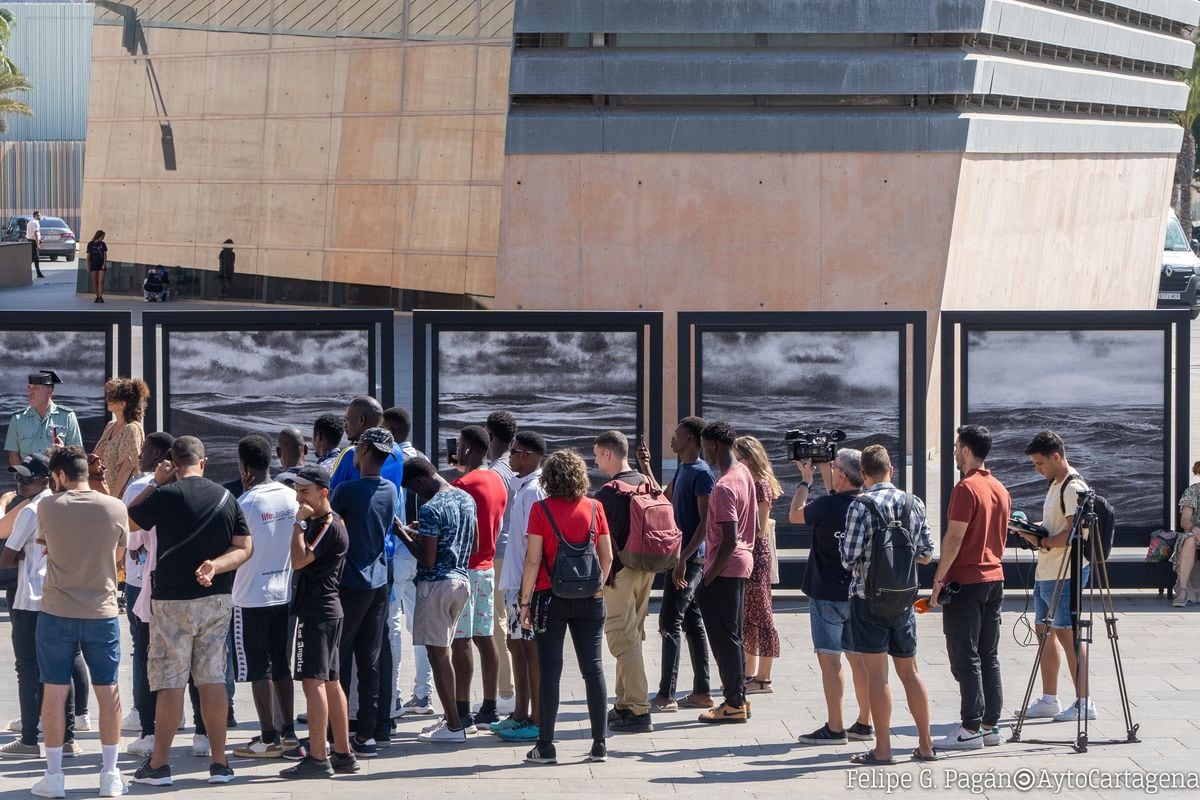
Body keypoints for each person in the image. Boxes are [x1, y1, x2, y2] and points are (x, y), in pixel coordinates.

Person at [127, 436, 252, 787]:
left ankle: (160, 765)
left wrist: (156, 482)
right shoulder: (226, 497)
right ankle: (220, 764)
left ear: (172, 462)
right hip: (216, 598)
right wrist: (216, 565)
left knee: (170, 682)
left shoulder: (165, 495)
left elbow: (128, 522)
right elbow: (245, 547)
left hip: (171, 601)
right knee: (211, 679)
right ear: (204, 461)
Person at [31, 446, 129, 798]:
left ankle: (54, 777)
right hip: (101, 611)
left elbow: (46, 545)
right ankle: (110, 775)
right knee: (109, 692)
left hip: (57, 609)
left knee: (54, 692)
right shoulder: (116, 507)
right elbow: (118, 555)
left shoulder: (47, 505)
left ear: (59, 475)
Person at [840, 445, 936, 764]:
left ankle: (883, 749)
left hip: (868, 601)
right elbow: (926, 553)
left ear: (863, 475)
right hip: (905, 601)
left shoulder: (860, 506)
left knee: (878, 676)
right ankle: (925, 745)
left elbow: (848, 558)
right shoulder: (914, 503)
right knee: (910, 673)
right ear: (891, 470)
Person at [518, 449, 613, 765]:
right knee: (593, 667)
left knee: (550, 671)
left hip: (549, 598)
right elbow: (607, 557)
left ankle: (545, 745)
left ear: (548, 478)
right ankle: (599, 744)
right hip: (590, 599)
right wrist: (595, 586)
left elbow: (533, 560)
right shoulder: (595, 507)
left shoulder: (540, 510)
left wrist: (524, 603)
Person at [928, 425, 1010, 750]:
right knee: (988, 654)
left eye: (955, 444)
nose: (953, 449)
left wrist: (938, 580)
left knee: (966, 656)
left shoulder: (966, 488)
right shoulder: (999, 488)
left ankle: (970, 727)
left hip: (967, 581)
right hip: (995, 579)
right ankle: (990, 726)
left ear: (964, 449)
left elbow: (955, 536)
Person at [789, 449, 873, 746]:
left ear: (840, 475)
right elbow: (837, 495)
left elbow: (795, 514)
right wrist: (828, 468)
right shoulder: (866, 505)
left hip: (826, 594)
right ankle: (865, 722)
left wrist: (805, 480)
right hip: (858, 594)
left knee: (830, 660)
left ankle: (835, 727)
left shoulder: (825, 506)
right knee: (858, 659)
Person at [279, 466, 359, 778]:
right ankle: (342, 753)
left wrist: (298, 523)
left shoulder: (326, 523)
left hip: (318, 612)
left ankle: (317, 756)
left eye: (305, 492)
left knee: (314, 683)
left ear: (323, 492)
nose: (299, 498)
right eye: (297, 492)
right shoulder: (322, 521)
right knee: (330, 681)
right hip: (323, 610)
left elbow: (299, 560)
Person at [0, 454, 80, 761]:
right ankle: (69, 737)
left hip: (29, 598)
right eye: (18, 477)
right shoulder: (65, 504)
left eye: (26, 478)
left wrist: (18, 555)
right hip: (61, 595)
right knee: (62, 669)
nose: (20, 483)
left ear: (46, 479)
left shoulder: (31, 510)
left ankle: (30, 738)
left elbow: (6, 557)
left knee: (28, 670)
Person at [1015, 431, 1095, 723]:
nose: (1037, 469)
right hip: (1048, 571)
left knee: (1067, 634)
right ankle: (1050, 699)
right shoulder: (1056, 484)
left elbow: (1075, 535)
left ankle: (1084, 702)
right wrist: (1030, 528)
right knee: (1044, 631)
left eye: (1039, 463)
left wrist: (1042, 541)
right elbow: (1054, 526)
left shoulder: (1073, 487)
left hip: (1066, 572)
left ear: (1056, 457)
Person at [229, 435, 300, 759]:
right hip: (283, 592)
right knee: (281, 666)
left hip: (250, 596)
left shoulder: (245, 503)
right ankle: (289, 734)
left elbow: (233, 550)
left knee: (259, 669)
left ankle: (268, 737)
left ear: (244, 467)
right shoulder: (291, 496)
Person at [396, 457, 475, 744]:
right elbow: (472, 544)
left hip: (436, 585)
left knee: (438, 655)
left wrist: (402, 533)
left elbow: (427, 558)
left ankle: (454, 726)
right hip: (462, 582)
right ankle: (453, 719)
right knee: (446, 652)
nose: (416, 495)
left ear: (420, 481)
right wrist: (424, 533)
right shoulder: (466, 499)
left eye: (414, 490)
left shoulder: (431, 508)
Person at [637, 417, 713, 713]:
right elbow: (663, 499)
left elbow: (706, 523)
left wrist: (683, 559)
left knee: (669, 621)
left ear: (691, 440)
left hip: (689, 558)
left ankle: (666, 695)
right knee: (692, 622)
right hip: (680, 556)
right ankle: (702, 692)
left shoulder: (702, 473)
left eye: (677, 435)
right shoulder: (684, 468)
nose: (671, 438)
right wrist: (646, 467)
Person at [330, 427, 397, 758]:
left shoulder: (345, 490)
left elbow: (329, 532)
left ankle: (335, 733)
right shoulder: (390, 490)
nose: (352, 452)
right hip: (379, 582)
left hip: (350, 584)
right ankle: (367, 735)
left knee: (336, 659)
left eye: (356, 447)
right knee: (369, 660)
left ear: (365, 450)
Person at [689, 422, 756, 724]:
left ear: (715, 446)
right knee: (733, 635)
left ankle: (732, 703)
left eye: (704, 446)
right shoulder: (743, 472)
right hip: (741, 563)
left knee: (724, 638)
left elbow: (728, 540)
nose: (704, 452)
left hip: (725, 567)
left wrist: (708, 578)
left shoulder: (725, 486)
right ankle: (738, 697)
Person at [593, 430, 654, 733]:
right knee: (633, 635)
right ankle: (624, 703)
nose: (595, 459)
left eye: (596, 453)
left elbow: (599, 542)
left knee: (622, 638)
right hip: (647, 568)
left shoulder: (607, 493)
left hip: (619, 574)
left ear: (607, 453)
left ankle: (640, 710)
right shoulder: (646, 483)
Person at [120, 432, 175, 758]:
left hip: (144, 582)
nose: (139, 455)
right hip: (179, 584)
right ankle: (181, 717)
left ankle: (146, 719)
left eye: (143, 450)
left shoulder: (142, 488)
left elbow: (130, 534)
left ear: (155, 454)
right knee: (177, 656)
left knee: (144, 654)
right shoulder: (184, 487)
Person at [449, 425, 507, 728]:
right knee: (485, 638)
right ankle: (490, 706)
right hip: (486, 568)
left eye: (460, 445)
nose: (457, 449)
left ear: (468, 448)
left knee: (461, 641)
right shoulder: (497, 481)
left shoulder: (462, 485)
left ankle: (462, 711)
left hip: (465, 569)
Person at [379, 405, 433, 719]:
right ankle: (423, 694)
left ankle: (392, 698)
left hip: (396, 553)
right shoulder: (423, 459)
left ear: (393, 432)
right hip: (422, 552)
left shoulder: (391, 460)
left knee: (392, 627)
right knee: (421, 626)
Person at [493, 431, 546, 742]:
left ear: (527, 455)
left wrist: (526, 596)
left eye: (513, 452)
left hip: (527, 588)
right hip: (516, 585)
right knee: (518, 649)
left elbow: (533, 549)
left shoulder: (533, 491)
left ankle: (536, 720)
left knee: (531, 652)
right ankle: (520, 714)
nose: (509, 457)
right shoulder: (523, 487)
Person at [732, 435, 782, 694]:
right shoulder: (748, 482)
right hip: (750, 553)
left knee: (762, 616)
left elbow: (761, 528)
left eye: (737, 457)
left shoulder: (760, 485)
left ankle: (763, 679)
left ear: (748, 458)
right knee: (748, 616)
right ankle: (748, 673)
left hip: (757, 556)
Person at [485, 411, 518, 715]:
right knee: (512, 621)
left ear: (489, 436)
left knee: (496, 623)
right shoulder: (517, 467)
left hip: (497, 554)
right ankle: (513, 690)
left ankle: (506, 692)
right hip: (517, 553)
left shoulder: (495, 472)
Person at [6, 371, 82, 466]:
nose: (30, 393)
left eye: (36, 388)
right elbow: (13, 456)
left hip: (57, 478)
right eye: (29, 388)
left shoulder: (67, 416)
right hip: (29, 478)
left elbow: (77, 455)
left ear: (49, 392)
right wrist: (24, 478)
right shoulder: (18, 418)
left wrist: (63, 452)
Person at [94, 378, 150, 497]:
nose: (107, 400)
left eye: (112, 398)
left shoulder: (131, 429)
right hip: (101, 492)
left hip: (118, 496)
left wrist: (113, 498)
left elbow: (127, 467)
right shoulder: (110, 426)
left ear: (123, 404)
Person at [1171, 460, 1200, 605]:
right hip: (1196, 533)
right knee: (1189, 540)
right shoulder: (1193, 491)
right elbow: (1185, 521)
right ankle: (1182, 591)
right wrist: (1195, 529)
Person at [87, 231, 107, 303]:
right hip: (93, 264)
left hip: (101, 264)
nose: (103, 238)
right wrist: (88, 265)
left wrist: (104, 264)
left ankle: (101, 297)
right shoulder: (90, 244)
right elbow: (88, 256)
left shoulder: (103, 244)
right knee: (95, 282)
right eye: (102, 237)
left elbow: (105, 255)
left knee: (101, 281)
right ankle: (97, 296)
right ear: (99, 236)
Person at [27, 211, 44, 279]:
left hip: (30, 240)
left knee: (35, 258)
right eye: (39, 215)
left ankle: (38, 273)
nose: (40, 217)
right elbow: (36, 234)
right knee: (33, 257)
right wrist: (37, 245)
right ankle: (24, 270)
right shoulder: (36, 223)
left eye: (40, 215)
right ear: (35, 216)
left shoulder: (30, 222)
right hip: (34, 242)